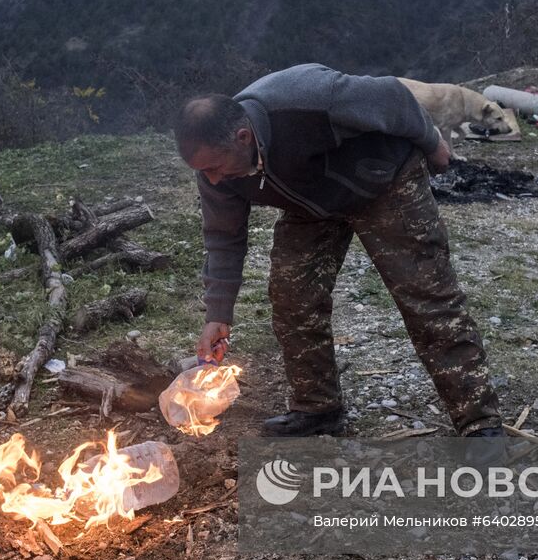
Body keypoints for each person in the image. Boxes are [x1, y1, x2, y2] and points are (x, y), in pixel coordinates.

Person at [175, 63, 503, 438]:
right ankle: (317, 408)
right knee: (292, 297)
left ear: (243, 136)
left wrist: (432, 143)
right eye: (203, 172)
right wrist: (218, 313)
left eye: (215, 167)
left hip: (385, 182)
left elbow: (393, 96)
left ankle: (479, 422)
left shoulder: (309, 100)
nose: (212, 179)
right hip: (312, 205)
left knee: (428, 298)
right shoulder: (215, 171)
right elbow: (223, 237)